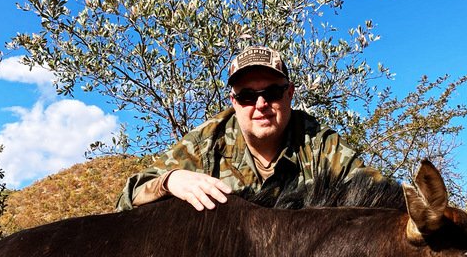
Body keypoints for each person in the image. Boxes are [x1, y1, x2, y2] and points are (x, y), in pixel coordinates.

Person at [116, 45, 378, 211]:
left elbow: (377, 193)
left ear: (290, 93)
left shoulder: (320, 144)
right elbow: (127, 199)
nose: (261, 104)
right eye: (247, 96)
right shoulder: (205, 143)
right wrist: (171, 180)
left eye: (272, 92)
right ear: (234, 101)